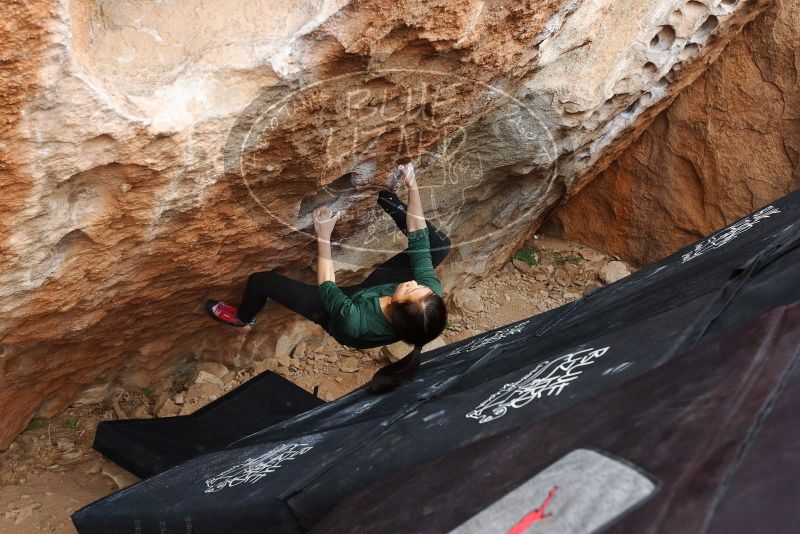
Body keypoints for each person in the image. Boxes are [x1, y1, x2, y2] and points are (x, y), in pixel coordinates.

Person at [205, 162, 450, 393]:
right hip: (379, 293)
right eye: (421, 287)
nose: (413, 283)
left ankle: (242, 317)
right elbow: (419, 236)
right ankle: (385, 197)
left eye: (410, 290)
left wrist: (323, 234)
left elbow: (327, 285)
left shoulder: (356, 321)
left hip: (337, 312)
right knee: (438, 245)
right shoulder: (427, 297)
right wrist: (412, 184)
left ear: (398, 305)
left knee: (261, 281)